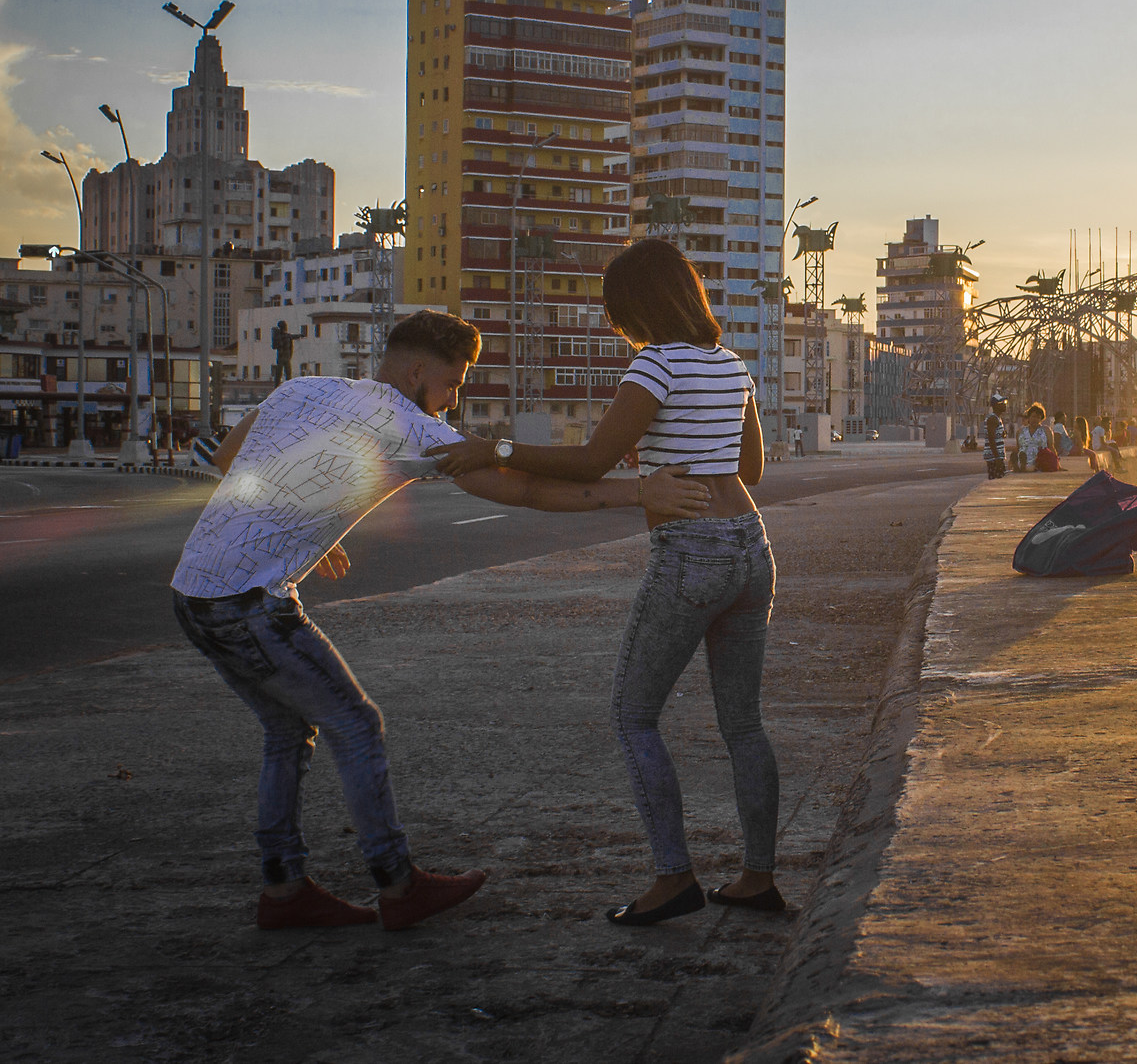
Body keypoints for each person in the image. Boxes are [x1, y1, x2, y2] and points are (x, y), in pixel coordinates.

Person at [171, 309, 713, 933]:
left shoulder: (306, 387)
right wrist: (641, 492)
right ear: (418, 369)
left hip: (193, 593)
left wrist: (302, 534)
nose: (454, 399)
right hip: (249, 606)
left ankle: (285, 890)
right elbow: (528, 490)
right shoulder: (415, 429)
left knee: (289, 733)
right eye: (453, 383)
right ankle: (398, 886)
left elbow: (233, 460)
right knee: (355, 723)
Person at [433, 239, 782, 926]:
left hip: (692, 550)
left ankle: (673, 876)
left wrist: (495, 448)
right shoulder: (731, 365)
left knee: (633, 715)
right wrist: (678, 447)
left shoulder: (656, 363)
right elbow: (752, 468)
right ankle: (758, 877)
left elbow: (592, 459)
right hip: (751, 545)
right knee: (743, 723)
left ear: (639, 305)